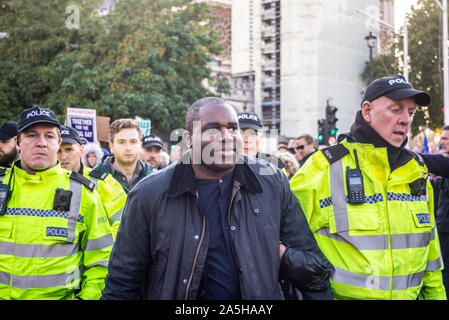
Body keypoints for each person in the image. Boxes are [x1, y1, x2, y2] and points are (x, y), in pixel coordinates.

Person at [102, 97, 333, 300]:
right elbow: (123, 281)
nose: (226, 137)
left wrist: (282, 256)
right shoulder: (149, 194)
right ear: (189, 138)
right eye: (212, 129)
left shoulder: (271, 182)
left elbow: (315, 269)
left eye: (233, 129)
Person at [290, 75, 446, 300]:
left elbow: (431, 258)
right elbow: (280, 240)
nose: (405, 120)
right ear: (367, 111)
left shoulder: (416, 171)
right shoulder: (322, 167)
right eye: (395, 110)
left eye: (410, 113)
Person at [0, 106, 113, 299]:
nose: (41, 143)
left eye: (49, 136)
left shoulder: (82, 193)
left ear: (58, 142)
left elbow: (102, 262)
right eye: (32, 135)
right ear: (18, 142)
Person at [57, 126, 127, 238]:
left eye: (69, 149)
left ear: (81, 150)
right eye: (58, 151)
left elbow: (123, 222)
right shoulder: (43, 181)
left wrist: (106, 250)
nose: (63, 156)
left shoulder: (102, 182)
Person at [93, 119, 155, 194]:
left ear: (140, 145)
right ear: (111, 147)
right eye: (121, 142)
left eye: (133, 142)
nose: (128, 148)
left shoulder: (153, 176)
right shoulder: (95, 178)